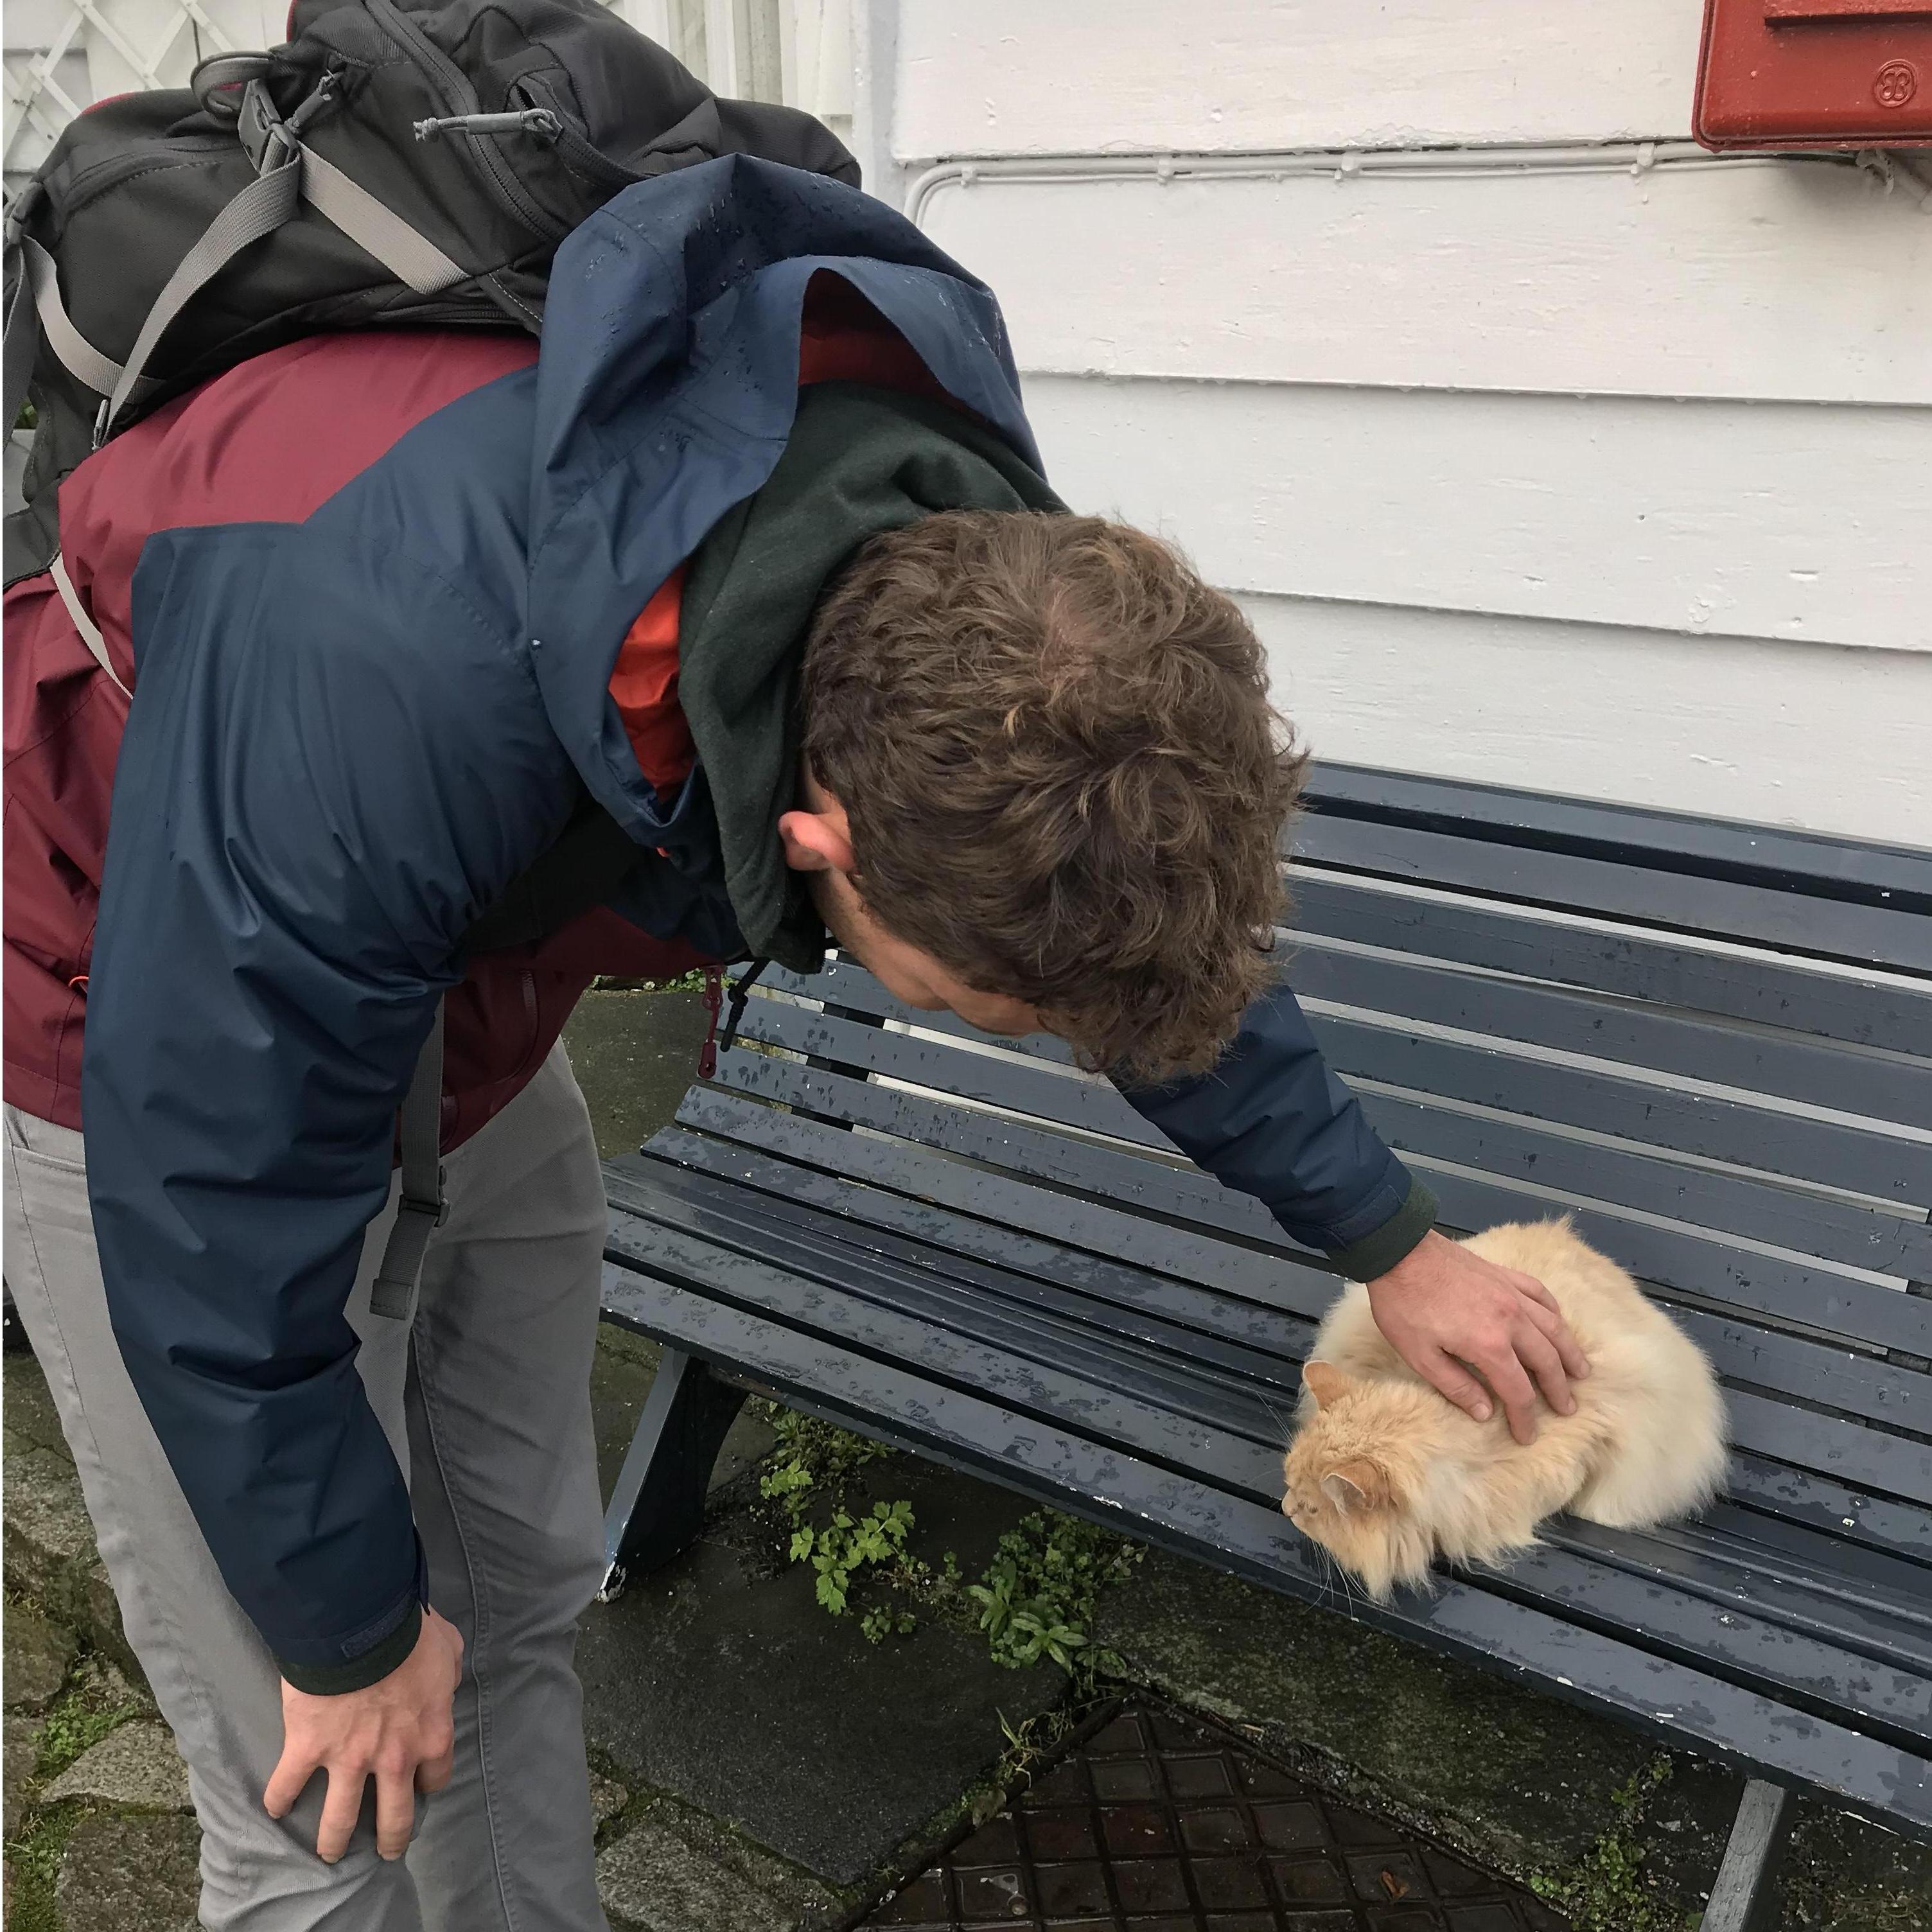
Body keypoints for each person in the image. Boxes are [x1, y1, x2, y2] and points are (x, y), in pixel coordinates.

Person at [1, 155, 1585, 1931]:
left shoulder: (981, 582)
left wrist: (1388, 1242)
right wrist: (345, 1630)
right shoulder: (386, 656)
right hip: (136, 1008)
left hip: (447, 977)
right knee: (319, 1790)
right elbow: (214, 1197)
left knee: (512, 1607)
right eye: (979, 1007)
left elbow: (1128, 931)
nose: (1017, 1029)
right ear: (823, 841)